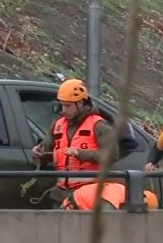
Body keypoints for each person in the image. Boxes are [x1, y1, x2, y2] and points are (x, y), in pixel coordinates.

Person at [31, 78, 119, 207]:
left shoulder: (99, 125)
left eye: (68, 106)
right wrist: (37, 155)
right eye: (62, 105)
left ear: (81, 103)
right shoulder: (57, 125)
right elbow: (45, 152)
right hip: (60, 194)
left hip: (88, 194)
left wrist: (80, 153)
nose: (63, 110)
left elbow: (112, 155)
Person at [61, 182, 158, 210]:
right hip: (71, 210)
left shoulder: (123, 190)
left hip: (80, 208)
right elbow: (107, 219)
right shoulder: (116, 197)